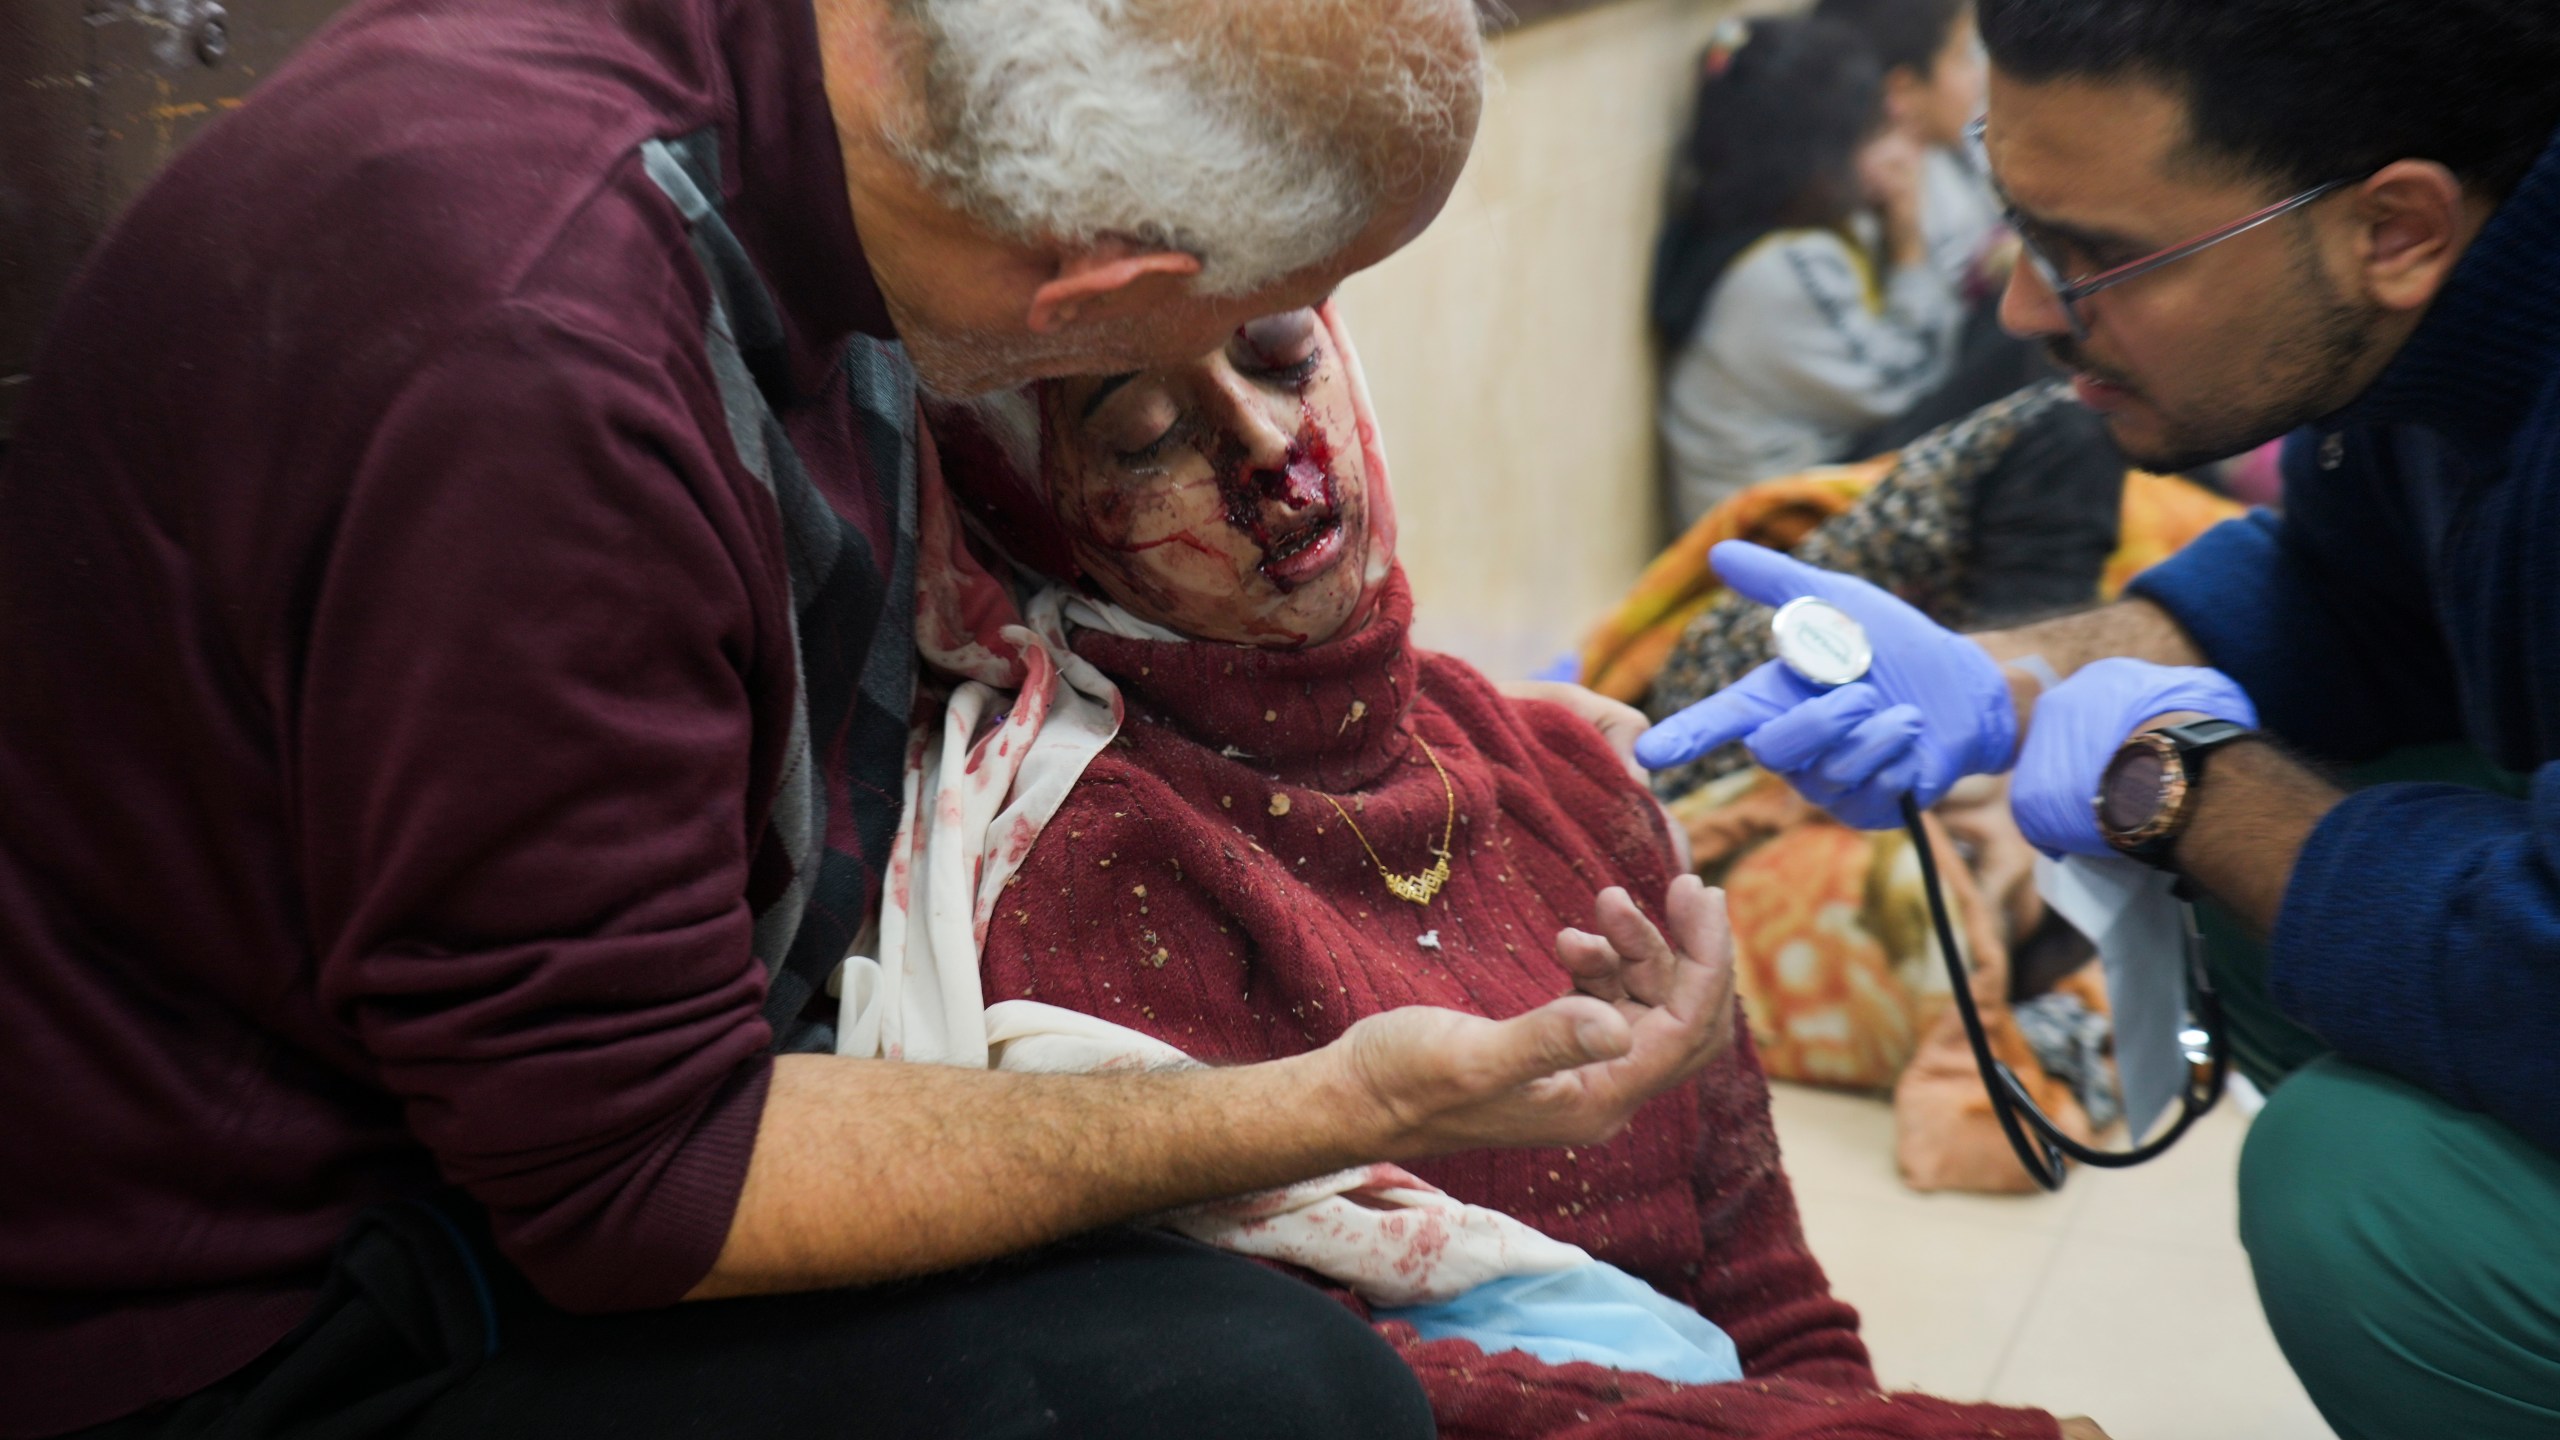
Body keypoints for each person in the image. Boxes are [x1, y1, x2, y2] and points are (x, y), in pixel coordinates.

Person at [0, 1, 1715, 1436]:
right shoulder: (542, 381)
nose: (1278, 447)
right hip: (265, 1318)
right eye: (1231, 332)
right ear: (1080, 302)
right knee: (1261, 1390)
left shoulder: (831, 112)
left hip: (516, 1151)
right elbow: (642, 1182)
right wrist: (1353, 1103)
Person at [887, 304, 2107, 1440]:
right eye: (1143, 433)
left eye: (1275, 351)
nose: (1267, 443)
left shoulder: (1565, 772)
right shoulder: (1090, 868)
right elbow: (1321, 1399)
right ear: (1030, 503)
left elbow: (1775, 1305)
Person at [1635, 1, 2560, 1436]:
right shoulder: (2419, 333)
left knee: (2361, 1190)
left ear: (2395, 230)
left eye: (2102, 258)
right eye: (2021, 231)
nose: (2021, 308)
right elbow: (2346, 599)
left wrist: (2176, 784)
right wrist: (2013, 679)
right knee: (2270, 895)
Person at [1650, 16, 1965, 526]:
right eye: (1873, 130)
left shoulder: (1781, 230)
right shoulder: (1778, 271)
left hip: (1823, 473)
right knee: (2019, 359)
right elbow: (1907, 380)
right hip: (1774, 536)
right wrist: (1909, 243)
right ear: (1821, 156)